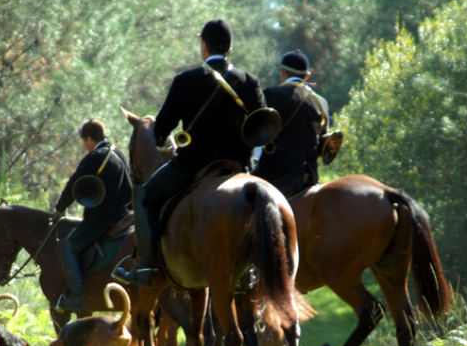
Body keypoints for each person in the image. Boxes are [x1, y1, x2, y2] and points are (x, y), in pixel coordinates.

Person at [115, 19, 266, 287]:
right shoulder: (249, 81)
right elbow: (262, 127)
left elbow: (161, 128)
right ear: (229, 48)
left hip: (193, 164)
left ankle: (146, 267)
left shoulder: (185, 81)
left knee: (145, 196)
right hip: (238, 166)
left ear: (204, 47)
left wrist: (163, 138)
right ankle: (255, 268)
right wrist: (250, 161)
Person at [52, 118, 132, 312]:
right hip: (122, 218)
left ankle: (77, 297)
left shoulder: (95, 157)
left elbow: (74, 183)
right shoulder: (118, 154)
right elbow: (129, 190)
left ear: (88, 138)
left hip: (100, 220)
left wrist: (60, 208)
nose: (84, 146)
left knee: (67, 246)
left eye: (84, 141)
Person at [253, 49, 329, 196]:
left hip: (272, 177)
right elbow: (322, 147)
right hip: (308, 178)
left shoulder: (269, 95)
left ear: (282, 72)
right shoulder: (321, 103)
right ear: (307, 76)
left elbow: (257, 138)